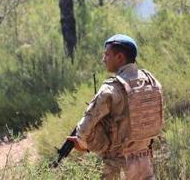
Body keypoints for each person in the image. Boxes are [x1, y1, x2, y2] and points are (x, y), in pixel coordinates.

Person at [68, 34, 164, 180]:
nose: (103, 59)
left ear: (119, 57)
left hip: (118, 167)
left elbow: (82, 131)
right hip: (145, 162)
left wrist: (84, 145)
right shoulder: (152, 82)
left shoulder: (111, 89)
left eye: (107, 54)